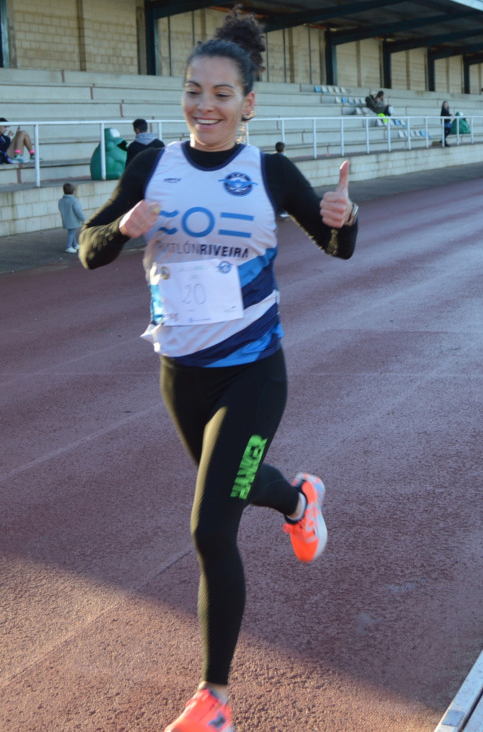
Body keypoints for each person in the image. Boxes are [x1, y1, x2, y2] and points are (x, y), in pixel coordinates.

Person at [77, 8, 357, 731]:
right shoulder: (152, 166)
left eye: (222, 95)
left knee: (210, 528)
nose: (205, 106)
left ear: (248, 104)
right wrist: (121, 229)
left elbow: (336, 247)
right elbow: (88, 248)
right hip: (181, 372)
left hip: (253, 372)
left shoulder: (269, 173)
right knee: (236, 481)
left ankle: (215, 701)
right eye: (194, 91)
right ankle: (298, 500)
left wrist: (343, 217)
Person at [57, 182, 85, 253]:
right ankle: (68, 247)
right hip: (73, 219)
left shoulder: (61, 201)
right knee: (71, 233)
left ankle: (74, 245)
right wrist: (84, 219)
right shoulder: (74, 200)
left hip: (66, 219)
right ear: (73, 192)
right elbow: (78, 211)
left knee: (71, 232)